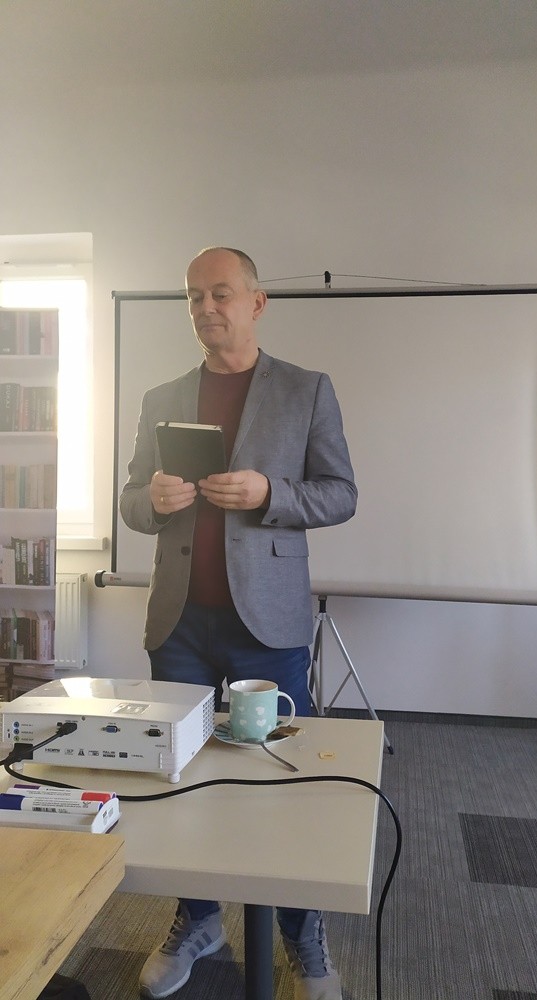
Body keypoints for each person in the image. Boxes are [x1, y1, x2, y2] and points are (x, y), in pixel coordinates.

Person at [120, 246, 357, 1000]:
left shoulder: (306, 389)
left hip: (269, 626)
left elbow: (341, 493)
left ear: (257, 302)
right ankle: (198, 921)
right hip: (180, 623)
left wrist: (269, 493)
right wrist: (151, 502)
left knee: (281, 779)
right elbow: (131, 501)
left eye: (220, 293)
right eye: (194, 296)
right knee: (179, 775)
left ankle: (300, 932)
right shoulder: (161, 395)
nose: (205, 308)